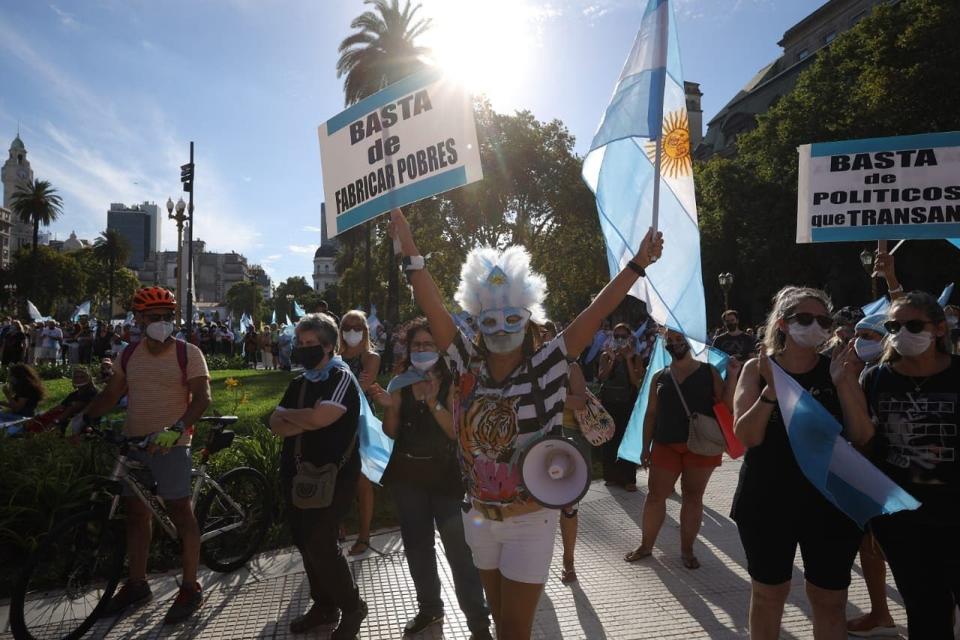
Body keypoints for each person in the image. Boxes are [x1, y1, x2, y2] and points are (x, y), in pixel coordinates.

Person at [390, 206, 663, 639]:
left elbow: (596, 311)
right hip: (477, 517)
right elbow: (432, 304)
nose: (501, 328)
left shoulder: (549, 364)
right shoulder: (465, 360)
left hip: (530, 518)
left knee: (515, 631)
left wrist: (637, 266)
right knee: (502, 624)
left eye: (512, 318)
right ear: (477, 319)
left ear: (528, 316)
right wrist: (409, 246)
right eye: (490, 319)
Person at [731, 286, 874, 640]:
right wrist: (770, 392)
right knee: (768, 595)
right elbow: (746, 437)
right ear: (782, 323)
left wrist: (844, 385)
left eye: (823, 320)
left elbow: (862, 434)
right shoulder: (758, 369)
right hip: (767, 500)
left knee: (829, 600)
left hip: (829, 501)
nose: (816, 326)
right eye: (805, 319)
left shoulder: (837, 370)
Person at [80, 287, 211, 625]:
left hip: (172, 444)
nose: (163, 323)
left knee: (181, 514)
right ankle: (137, 583)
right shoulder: (128, 355)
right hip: (135, 444)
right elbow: (112, 393)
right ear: (138, 319)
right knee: (136, 516)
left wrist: (177, 428)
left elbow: (201, 398)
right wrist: (85, 418)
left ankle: (190, 586)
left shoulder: (188, 353)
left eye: (168, 317)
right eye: (155, 318)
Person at [368, 318, 492, 639]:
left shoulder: (454, 380)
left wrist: (432, 401)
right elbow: (390, 431)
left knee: (459, 551)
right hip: (408, 477)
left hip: (446, 478)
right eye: (416, 345)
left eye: (429, 344)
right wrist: (393, 406)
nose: (422, 350)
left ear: (440, 348)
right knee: (418, 548)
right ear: (408, 350)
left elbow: (454, 431)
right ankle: (429, 609)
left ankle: (478, 621)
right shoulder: (400, 381)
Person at [846, 291, 960, 638]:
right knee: (926, 613)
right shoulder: (876, 378)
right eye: (894, 325)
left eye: (913, 325)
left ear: (940, 329)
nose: (901, 332)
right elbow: (864, 443)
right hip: (903, 521)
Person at [269, 313, 367, 639]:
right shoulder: (300, 382)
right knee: (304, 541)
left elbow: (323, 417)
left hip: (333, 476)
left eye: (311, 344)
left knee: (321, 543)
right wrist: (306, 418)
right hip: (296, 475)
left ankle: (352, 607)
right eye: (300, 343)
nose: (303, 349)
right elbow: (275, 425)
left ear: (328, 345)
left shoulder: (339, 377)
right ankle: (324, 605)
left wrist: (296, 418)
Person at [625, 328, 738, 569]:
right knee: (655, 497)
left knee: (692, 497)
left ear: (690, 342)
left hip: (701, 446)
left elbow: (726, 406)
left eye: (679, 339)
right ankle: (646, 546)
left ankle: (687, 550)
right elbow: (651, 413)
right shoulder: (659, 376)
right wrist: (645, 447)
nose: (675, 344)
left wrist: (733, 376)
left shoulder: (708, 372)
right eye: (670, 340)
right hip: (665, 444)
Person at [844, 313, 897, 637]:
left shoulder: (904, 373)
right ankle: (881, 613)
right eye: (858, 334)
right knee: (870, 546)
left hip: (905, 481)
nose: (860, 340)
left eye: (870, 335)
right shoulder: (859, 373)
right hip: (869, 477)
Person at [541, 320, 590, 585]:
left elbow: (581, 401)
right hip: (536, 444)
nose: (544, 339)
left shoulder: (571, 367)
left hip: (566, 442)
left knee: (568, 506)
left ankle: (568, 562)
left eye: (547, 334)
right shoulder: (525, 368)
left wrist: (554, 397)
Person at [337, 310, 381, 556]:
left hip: (360, 421)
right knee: (337, 477)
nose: (352, 332)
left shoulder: (370, 357)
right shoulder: (335, 357)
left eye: (358, 328)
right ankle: (337, 526)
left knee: (362, 481)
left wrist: (333, 393)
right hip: (335, 422)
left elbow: (360, 388)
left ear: (365, 331)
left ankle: (364, 536)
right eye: (347, 327)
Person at [598, 322, 644, 491]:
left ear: (629, 338)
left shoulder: (635, 356)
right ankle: (610, 475)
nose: (619, 339)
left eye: (623, 336)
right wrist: (611, 359)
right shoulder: (605, 355)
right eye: (616, 336)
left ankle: (628, 478)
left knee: (627, 438)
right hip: (609, 402)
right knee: (610, 438)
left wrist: (627, 359)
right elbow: (602, 377)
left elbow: (635, 381)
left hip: (627, 402)